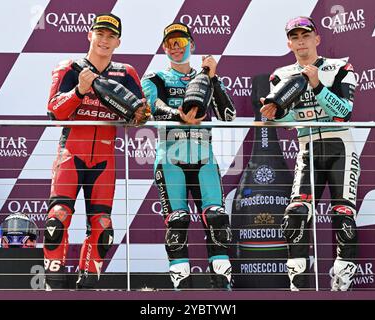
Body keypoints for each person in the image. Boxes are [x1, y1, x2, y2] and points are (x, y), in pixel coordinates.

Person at [44, 13, 149, 290]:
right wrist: (80, 90)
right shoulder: (69, 67)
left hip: (104, 158)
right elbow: (54, 112)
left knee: (103, 226)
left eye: (110, 36)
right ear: (89, 35)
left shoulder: (126, 73)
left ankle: (88, 288)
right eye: (100, 34)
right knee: (57, 218)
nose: (104, 40)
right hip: (70, 154)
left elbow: (141, 114)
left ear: (118, 42)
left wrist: (137, 114)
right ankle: (53, 285)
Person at [260, 16, 359, 291]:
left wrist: (316, 85)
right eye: (295, 36)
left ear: (317, 39)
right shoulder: (280, 76)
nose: (301, 40)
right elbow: (287, 121)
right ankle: (299, 283)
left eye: (306, 35)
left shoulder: (340, 67)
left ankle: (342, 282)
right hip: (307, 149)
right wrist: (273, 114)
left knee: (343, 214)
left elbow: (344, 114)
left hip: (340, 148)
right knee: (295, 212)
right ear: (289, 43)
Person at [141, 23, 236, 290]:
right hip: (170, 159)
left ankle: (222, 285)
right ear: (164, 48)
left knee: (217, 218)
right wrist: (178, 115)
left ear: (191, 45)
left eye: (180, 41)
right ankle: (181, 288)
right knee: (178, 221)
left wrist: (213, 78)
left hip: (204, 158)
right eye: (170, 43)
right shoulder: (155, 78)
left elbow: (228, 114)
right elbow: (152, 107)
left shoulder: (205, 77)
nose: (175, 47)